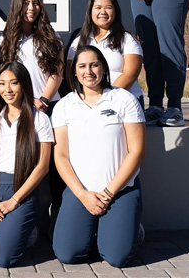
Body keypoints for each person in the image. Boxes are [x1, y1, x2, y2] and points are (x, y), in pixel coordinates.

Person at [52, 45, 146, 268]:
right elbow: (61, 156)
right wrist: (82, 194)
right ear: (74, 72)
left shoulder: (123, 99)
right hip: (81, 192)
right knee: (67, 253)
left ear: (103, 68)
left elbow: (137, 151)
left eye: (94, 64)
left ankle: (130, 229)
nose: (89, 71)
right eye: (82, 66)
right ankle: (98, 230)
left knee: (116, 257)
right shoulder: (64, 106)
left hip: (119, 191)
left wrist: (108, 192)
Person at [0, 62, 53, 268]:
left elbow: (42, 166)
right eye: (2, 84)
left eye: (14, 83)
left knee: (3, 259)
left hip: (21, 193)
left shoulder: (39, 118)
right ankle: (8, 230)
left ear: (24, 85)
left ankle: (26, 231)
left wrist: (15, 200)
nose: (7, 89)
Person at [0, 0, 63, 233]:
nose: (31, 8)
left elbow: (57, 73)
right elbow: (4, 79)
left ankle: (57, 217)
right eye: (25, 3)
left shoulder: (52, 39)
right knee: (23, 163)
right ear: (17, 7)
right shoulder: (5, 41)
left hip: (49, 107)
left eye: (35, 3)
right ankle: (26, 222)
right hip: (19, 107)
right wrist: (28, 101)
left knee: (53, 166)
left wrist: (42, 100)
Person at [67, 0, 144, 108]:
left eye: (108, 7)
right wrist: (89, 100)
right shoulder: (79, 41)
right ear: (90, 11)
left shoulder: (127, 39)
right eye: (98, 8)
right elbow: (70, 74)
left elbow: (130, 74)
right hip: (87, 103)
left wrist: (106, 98)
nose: (103, 12)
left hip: (123, 101)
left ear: (115, 11)